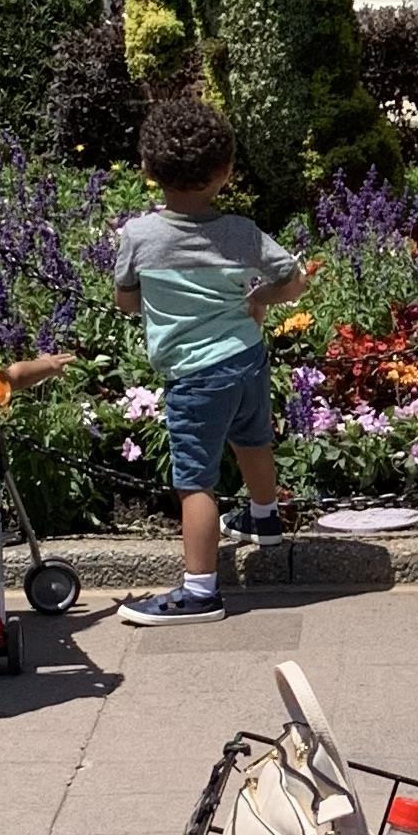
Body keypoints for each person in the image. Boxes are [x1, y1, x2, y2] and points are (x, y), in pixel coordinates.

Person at [109, 94, 304, 627]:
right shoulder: (241, 232)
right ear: (225, 171)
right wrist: (259, 297)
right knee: (252, 439)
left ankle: (200, 591)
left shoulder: (140, 236)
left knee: (195, 479)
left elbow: (125, 299)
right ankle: (264, 518)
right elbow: (293, 280)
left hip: (194, 375)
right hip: (246, 356)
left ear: (149, 170)